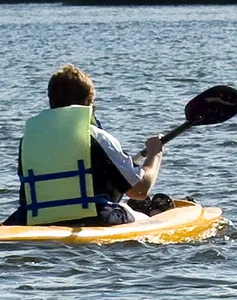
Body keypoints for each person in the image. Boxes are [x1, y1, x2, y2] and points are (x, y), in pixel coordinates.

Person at [3, 64, 164, 226]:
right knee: (144, 218)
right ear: (88, 104)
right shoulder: (96, 136)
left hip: (32, 218)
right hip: (92, 217)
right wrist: (154, 154)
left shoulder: (28, 140)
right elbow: (140, 190)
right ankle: (154, 213)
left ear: (51, 102)